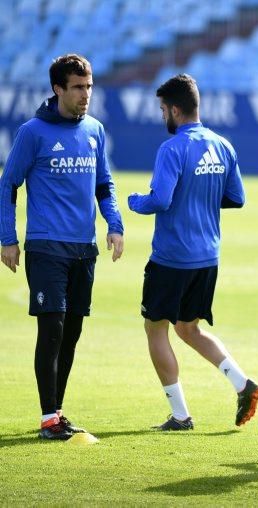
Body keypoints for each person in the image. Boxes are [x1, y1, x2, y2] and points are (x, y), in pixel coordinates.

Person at [0, 54, 125, 440]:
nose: (86, 94)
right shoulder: (32, 132)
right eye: (77, 87)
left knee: (71, 333)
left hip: (83, 249)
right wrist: (8, 239)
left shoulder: (95, 130)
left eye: (88, 86)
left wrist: (114, 225)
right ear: (58, 89)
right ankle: (47, 417)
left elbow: (104, 185)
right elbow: (7, 186)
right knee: (52, 328)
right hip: (46, 246)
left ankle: (57, 412)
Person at [128, 74, 258, 431]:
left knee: (156, 329)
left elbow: (160, 199)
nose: (162, 117)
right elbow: (237, 198)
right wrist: (201, 195)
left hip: (172, 257)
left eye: (162, 110)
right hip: (207, 257)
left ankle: (180, 415)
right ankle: (244, 385)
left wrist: (133, 201)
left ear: (174, 109)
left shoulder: (172, 149)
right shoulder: (222, 145)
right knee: (189, 328)